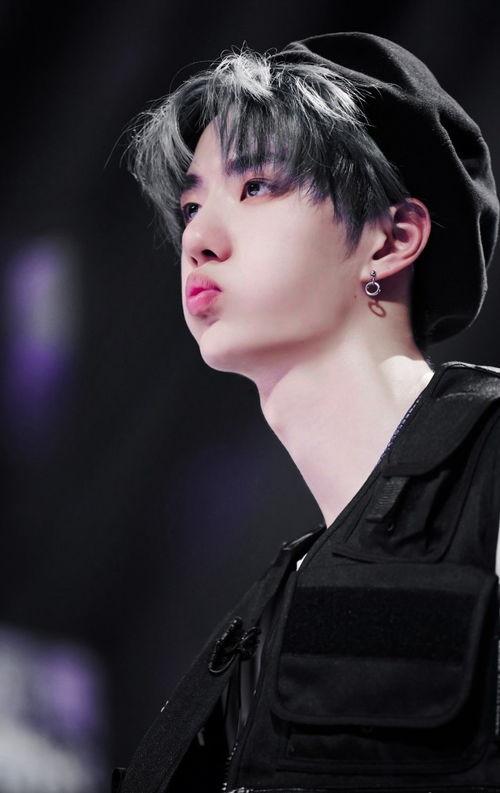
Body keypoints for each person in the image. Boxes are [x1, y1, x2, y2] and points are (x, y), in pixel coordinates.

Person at [113, 32, 500, 793]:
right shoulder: (266, 617)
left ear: (392, 238)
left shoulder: (492, 466)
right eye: (191, 205)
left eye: (256, 185)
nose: (198, 239)